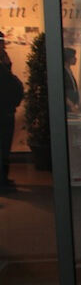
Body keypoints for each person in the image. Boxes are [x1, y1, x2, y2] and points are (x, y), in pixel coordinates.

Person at [0, 32, 24, 191]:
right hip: (4, 111)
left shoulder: (3, 61)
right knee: (2, 147)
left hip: (6, 110)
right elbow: (9, 84)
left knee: (4, 147)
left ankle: (4, 179)